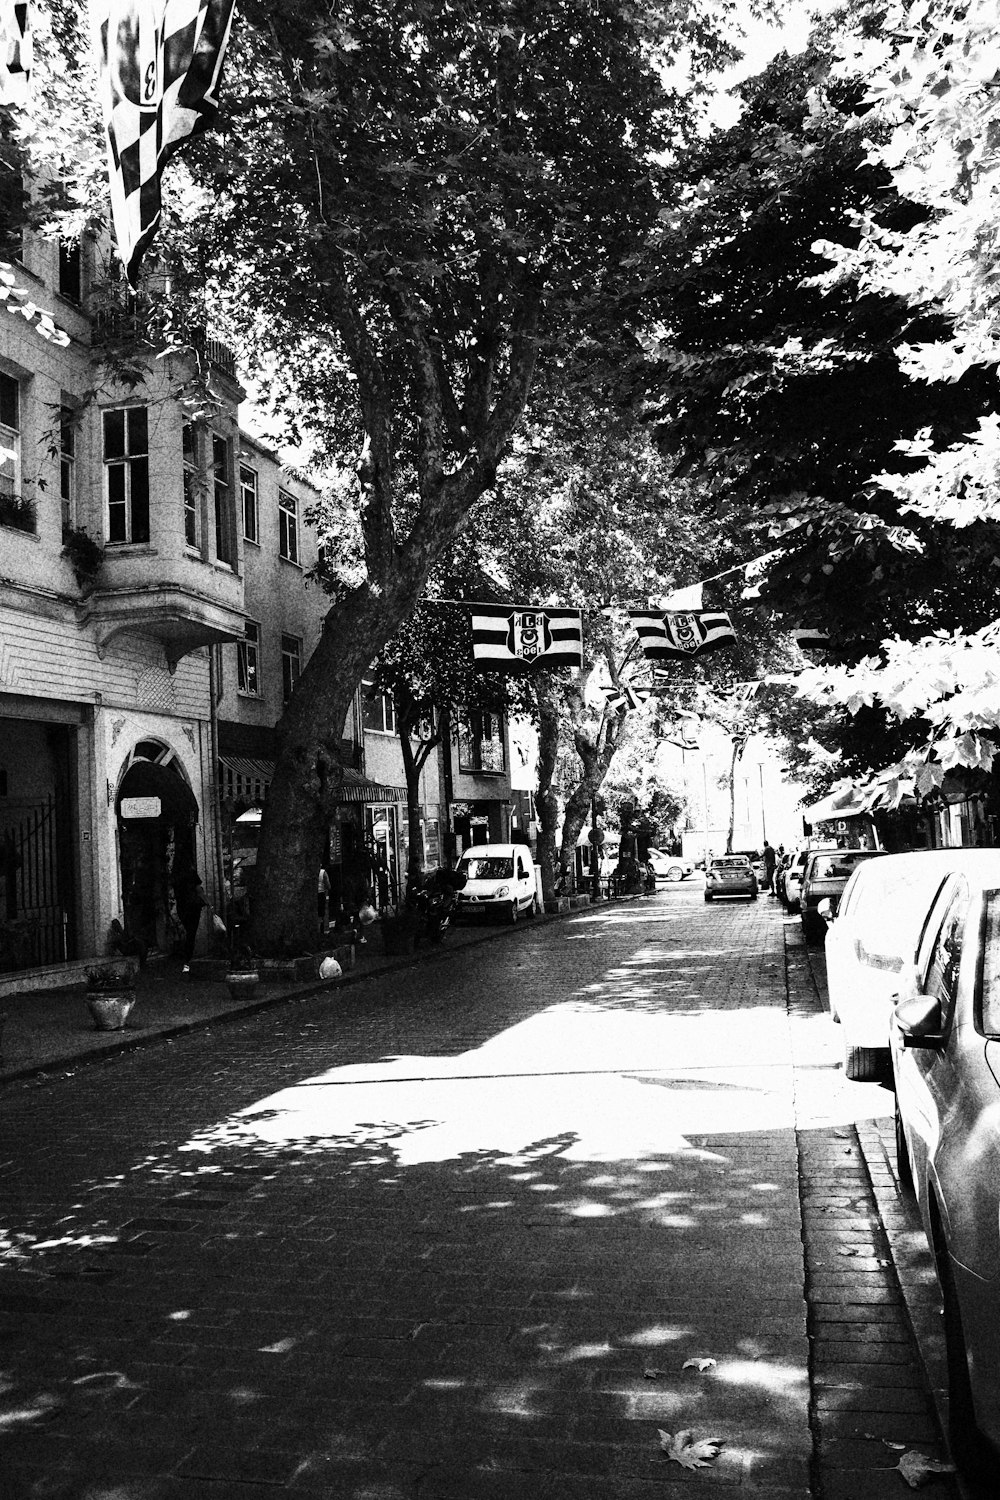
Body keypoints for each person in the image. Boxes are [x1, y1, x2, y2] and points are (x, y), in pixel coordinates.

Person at [173, 863, 206, 973]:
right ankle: (188, 960)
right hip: (193, 908)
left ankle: (186, 960)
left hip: (183, 908)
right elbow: (199, 891)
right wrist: (208, 903)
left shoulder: (178, 879)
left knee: (188, 933)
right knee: (191, 934)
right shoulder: (192, 876)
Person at [318, 864, 331, 937]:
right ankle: (322, 930)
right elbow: (328, 885)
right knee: (322, 913)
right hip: (321, 893)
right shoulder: (323, 872)